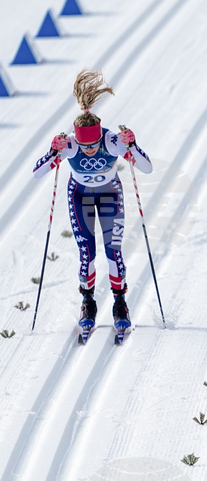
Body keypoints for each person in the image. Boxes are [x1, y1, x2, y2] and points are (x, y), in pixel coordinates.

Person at [32, 70, 153, 335]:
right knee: (87, 253)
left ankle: (120, 303)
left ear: (101, 136)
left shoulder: (111, 141)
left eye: (93, 144)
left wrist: (133, 145)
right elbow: (37, 172)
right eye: (85, 145)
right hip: (80, 197)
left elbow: (147, 168)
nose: (89, 149)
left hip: (110, 194)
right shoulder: (70, 145)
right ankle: (88, 302)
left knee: (113, 251)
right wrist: (52, 151)